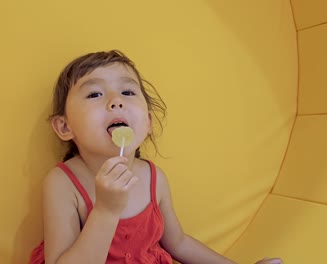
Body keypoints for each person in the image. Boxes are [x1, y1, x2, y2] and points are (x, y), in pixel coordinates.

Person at [29, 50, 283, 264]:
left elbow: (179, 243)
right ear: (64, 127)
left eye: (128, 93)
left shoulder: (154, 177)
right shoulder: (62, 183)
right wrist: (106, 210)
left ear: (148, 122)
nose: (116, 101)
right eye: (95, 94)